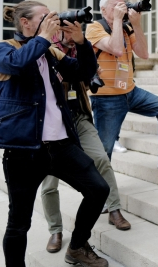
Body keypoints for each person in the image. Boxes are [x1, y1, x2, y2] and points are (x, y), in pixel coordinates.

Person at [0, 1, 110, 267]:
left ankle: (77, 246)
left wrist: (81, 43)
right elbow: (17, 65)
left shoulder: (52, 53)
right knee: (19, 222)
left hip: (61, 145)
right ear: (26, 23)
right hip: (25, 151)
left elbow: (84, 74)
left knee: (98, 189)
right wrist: (43, 38)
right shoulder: (3, 49)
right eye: (45, 17)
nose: (53, 20)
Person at [41, 29, 131, 255]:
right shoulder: (46, 51)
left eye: (78, 29)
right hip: (54, 124)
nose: (75, 35)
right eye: (70, 30)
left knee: (101, 158)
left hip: (78, 116)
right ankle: (55, 229)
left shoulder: (82, 49)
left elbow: (90, 83)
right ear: (58, 30)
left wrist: (90, 70)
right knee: (50, 181)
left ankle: (114, 209)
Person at [86, 0, 158, 170]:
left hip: (131, 92)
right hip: (107, 98)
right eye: (116, 6)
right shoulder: (94, 28)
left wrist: (136, 24)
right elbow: (116, 49)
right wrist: (119, 21)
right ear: (103, 10)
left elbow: (143, 53)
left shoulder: (127, 28)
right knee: (104, 149)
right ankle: (99, 187)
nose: (123, 9)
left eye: (124, 5)